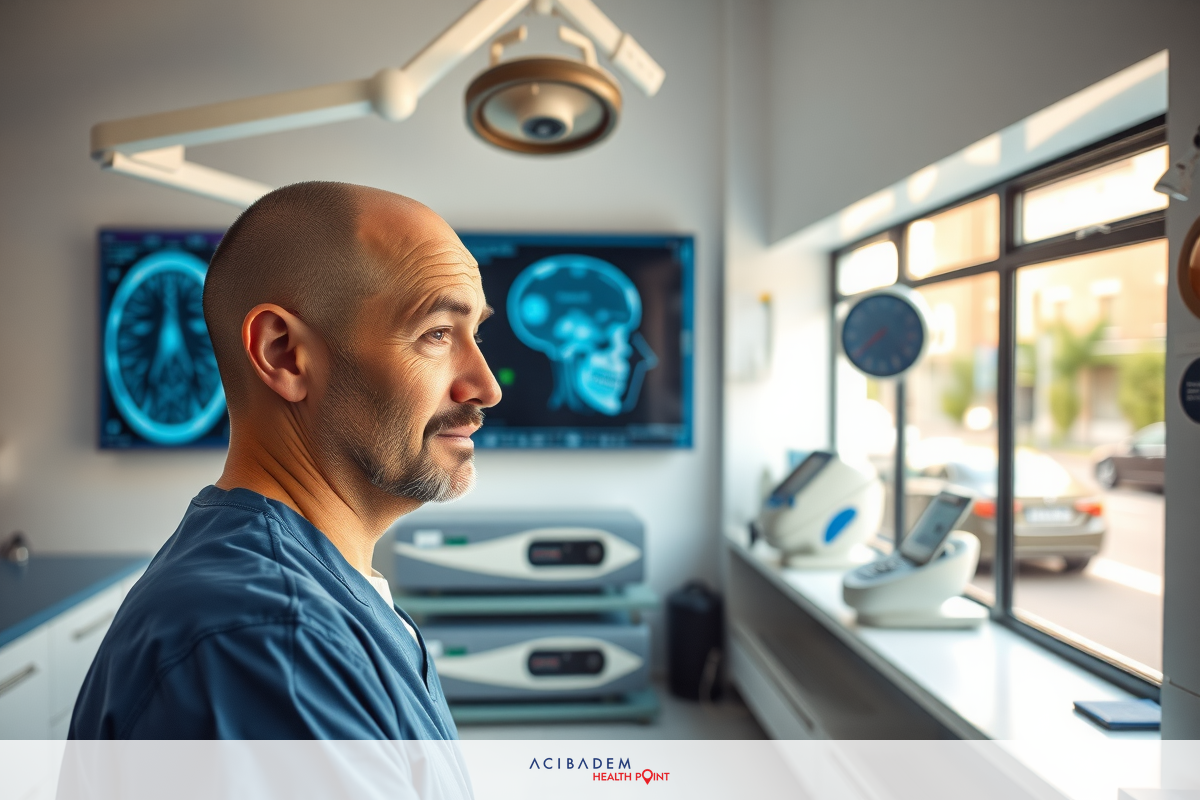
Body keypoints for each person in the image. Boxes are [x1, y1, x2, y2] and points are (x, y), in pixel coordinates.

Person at [70, 182, 502, 739]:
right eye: (437, 334)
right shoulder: (267, 643)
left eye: (476, 333)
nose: (486, 387)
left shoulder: (305, 595)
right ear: (284, 354)